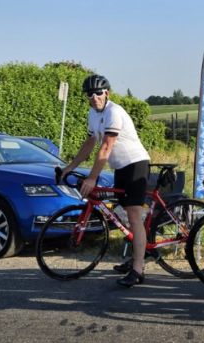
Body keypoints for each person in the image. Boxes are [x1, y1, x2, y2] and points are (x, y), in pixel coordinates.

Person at [60, 74, 152, 288]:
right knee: (123, 212)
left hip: (135, 163)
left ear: (107, 93)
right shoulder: (92, 113)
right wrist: (69, 167)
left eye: (98, 93)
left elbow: (106, 147)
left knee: (134, 215)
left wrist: (92, 177)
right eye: (89, 94)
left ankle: (138, 268)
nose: (94, 97)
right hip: (119, 167)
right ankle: (140, 251)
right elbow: (90, 144)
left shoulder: (114, 112)